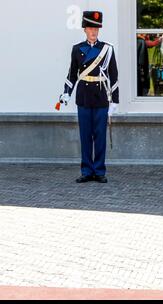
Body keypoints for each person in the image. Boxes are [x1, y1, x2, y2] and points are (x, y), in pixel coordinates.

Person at [60, 11, 119, 184]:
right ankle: (86, 170)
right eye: (90, 28)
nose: (93, 31)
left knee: (100, 136)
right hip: (84, 97)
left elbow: (114, 76)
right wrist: (66, 93)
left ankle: (99, 170)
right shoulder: (77, 49)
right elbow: (72, 74)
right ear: (84, 29)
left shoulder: (107, 49)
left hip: (101, 96)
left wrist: (114, 100)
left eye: (96, 28)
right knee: (85, 135)